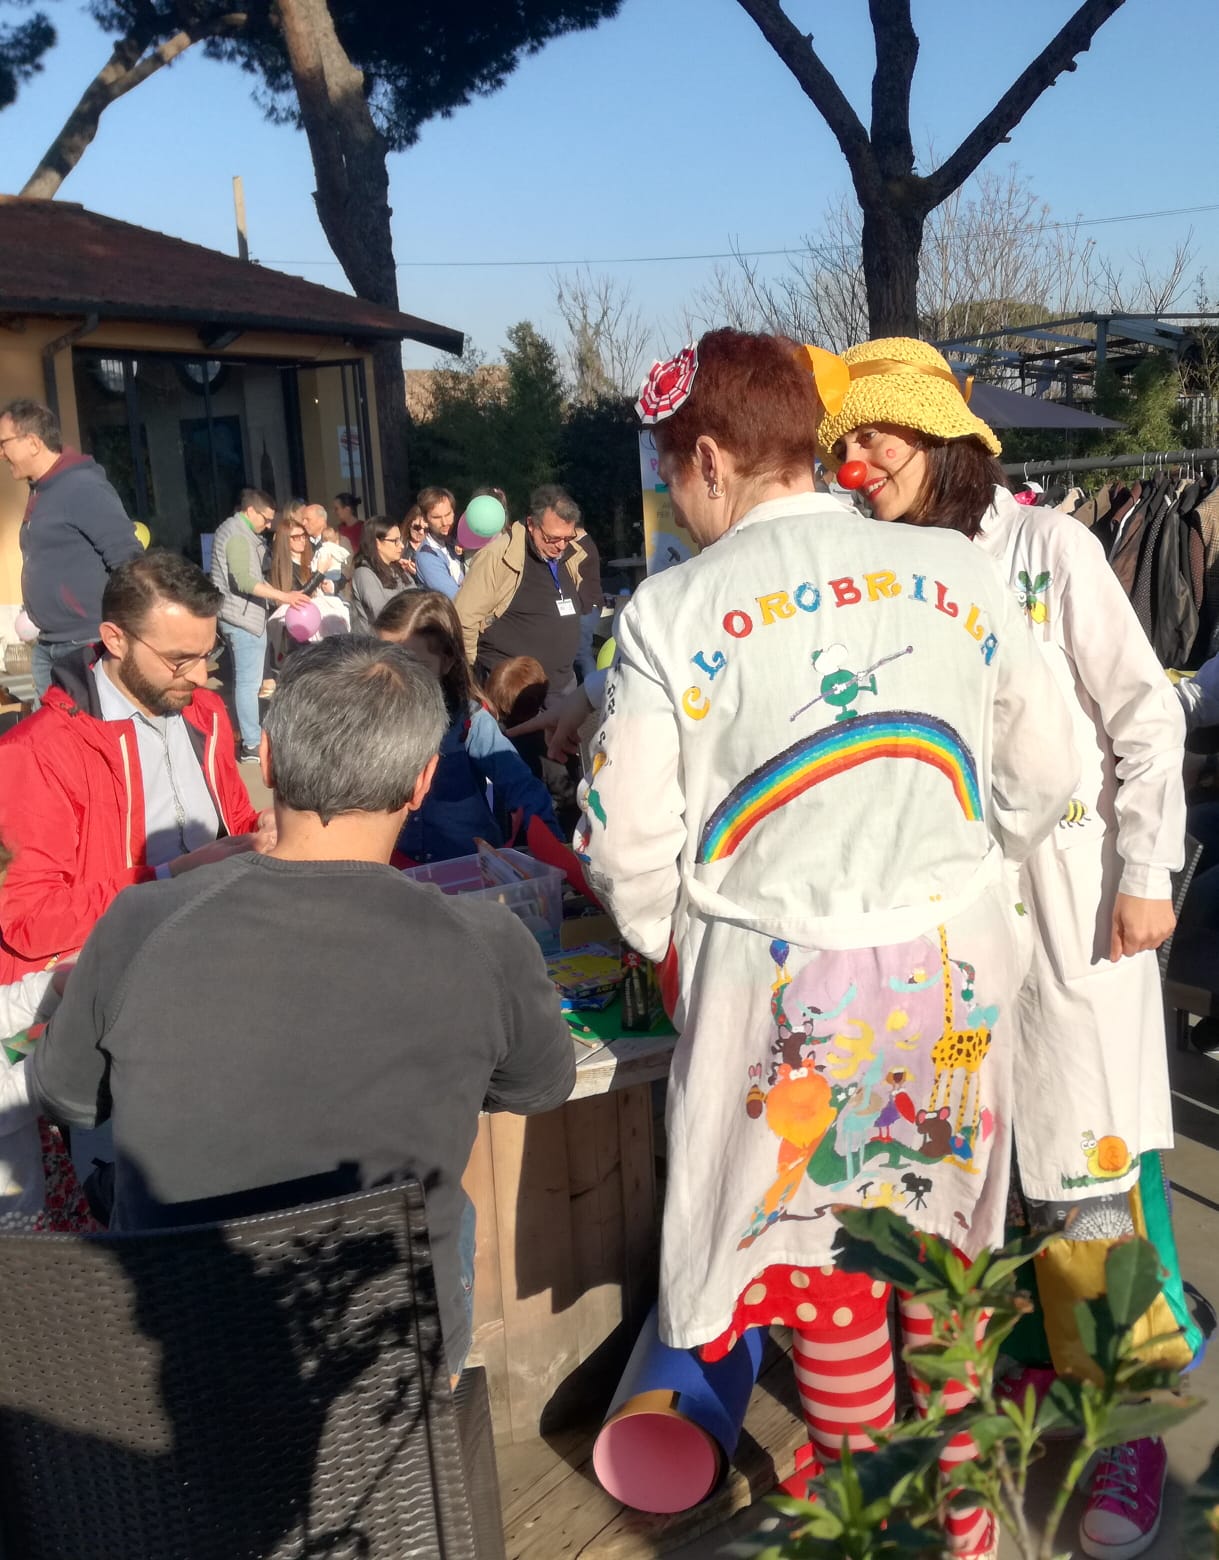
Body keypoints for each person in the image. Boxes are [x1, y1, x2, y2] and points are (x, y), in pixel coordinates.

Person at [580, 330, 1078, 1560]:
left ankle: (875, 1515)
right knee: (942, 1245)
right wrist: (970, 860)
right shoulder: (957, 575)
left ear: (706, 456)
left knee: (822, 1269)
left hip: (780, 1000)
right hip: (951, 979)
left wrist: (674, 937)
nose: (672, 501)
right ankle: (965, 1523)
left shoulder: (670, 610)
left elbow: (624, 847)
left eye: (666, 475)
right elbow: (1043, 770)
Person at [818, 335, 1188, 1560]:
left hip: (1073, 916)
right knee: (951, 1194)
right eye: (841, 447)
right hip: (941, 941)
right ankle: (981, 1434)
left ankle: (1125, 1440)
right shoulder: (873, 575)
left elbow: (1143, 710)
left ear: (934, 437)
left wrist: (1145, 872)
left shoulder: (1051, 548)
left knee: (1086, 1200)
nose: (853, 463)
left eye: (870, 437)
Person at [28, 636, 576, 1376]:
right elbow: (539, 1087)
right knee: (455, 1213)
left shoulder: (139, 923)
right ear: (421, 784)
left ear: (274, 767)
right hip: (386, 1358)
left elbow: (63, 1095)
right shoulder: (486, 940)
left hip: (175, 1345)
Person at [0, 549, 265, 987]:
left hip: (217, 936)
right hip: (109, 974)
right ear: (115, 639)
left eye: (208, 652)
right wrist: (169, 877)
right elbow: (30, 921)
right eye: (180, 659)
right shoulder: (35, 752)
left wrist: (267, 828)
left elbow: (236, 823)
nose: (200, 676)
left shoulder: (206, 711)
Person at [376, 592, 560, 862]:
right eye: (388, 662)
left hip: (468, 869)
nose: (399, 676)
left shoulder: (470, 721)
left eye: (415, 666)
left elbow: (521, 786)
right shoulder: (371, 721)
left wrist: (553, 854)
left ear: (447, 661)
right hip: (399, 873)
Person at [0, 398, 142, 703]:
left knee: (87, 741)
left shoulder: (82, 486)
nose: (1, 453)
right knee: (52, 746)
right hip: (49, 645)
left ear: (33, 442)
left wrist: (127, 631)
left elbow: (127, 561)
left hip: (85, 645)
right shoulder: (42, 489)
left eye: (4, 443)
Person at [455, 484, 592, 695]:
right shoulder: (497, 558)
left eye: (567, 538)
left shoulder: (570, 554)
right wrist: (472, 677)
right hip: (511, 692)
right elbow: (463, 619)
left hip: (561, 686)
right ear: (531, 524)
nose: (560, 546)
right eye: (552, 538)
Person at [212, 488, 309, 760]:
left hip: (242, 615)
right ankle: (252, 744)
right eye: (265, 519)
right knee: (248, 683)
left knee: (250, 682)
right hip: (242, 618)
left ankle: (253, 738)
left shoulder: (237, 533)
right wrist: (284, 596)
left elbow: (251, 577)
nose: (268, 525)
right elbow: (244, 581)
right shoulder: (238, 536)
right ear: (250, 511)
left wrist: (280, 597)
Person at [350, 516, 410, 634]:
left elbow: (415, 598)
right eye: (395, 541)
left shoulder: (397, 568)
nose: (401, 546)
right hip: (375, 647)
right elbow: (382, 614)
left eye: (400, 540)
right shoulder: (364, 574)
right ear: (377, 543)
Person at [413, 486, 465, 598]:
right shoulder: (426, 557)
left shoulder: (458, 540)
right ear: (425, 519)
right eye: (436, 517)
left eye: (448, 514)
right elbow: (455, 598)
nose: (445, 522)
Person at [402, 505, 427, 582]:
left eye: (426, 529)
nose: (421, 532)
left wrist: (417, 573)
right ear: (409, 525)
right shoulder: (400, 545)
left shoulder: (434, 547)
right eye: (417, 527)